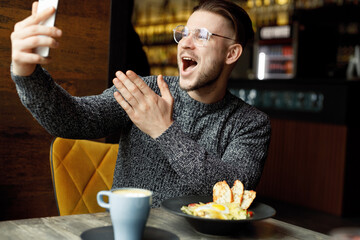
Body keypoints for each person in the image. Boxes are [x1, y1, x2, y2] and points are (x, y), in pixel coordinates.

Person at [10, 0, 271, 207]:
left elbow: (233, 193)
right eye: (184, 33)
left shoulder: (250, 123)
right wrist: (26, 73)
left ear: (232, 53)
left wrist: (164, 131)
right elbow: (72, 120)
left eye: (202, 35)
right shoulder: (146, 89)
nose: (186, 44)